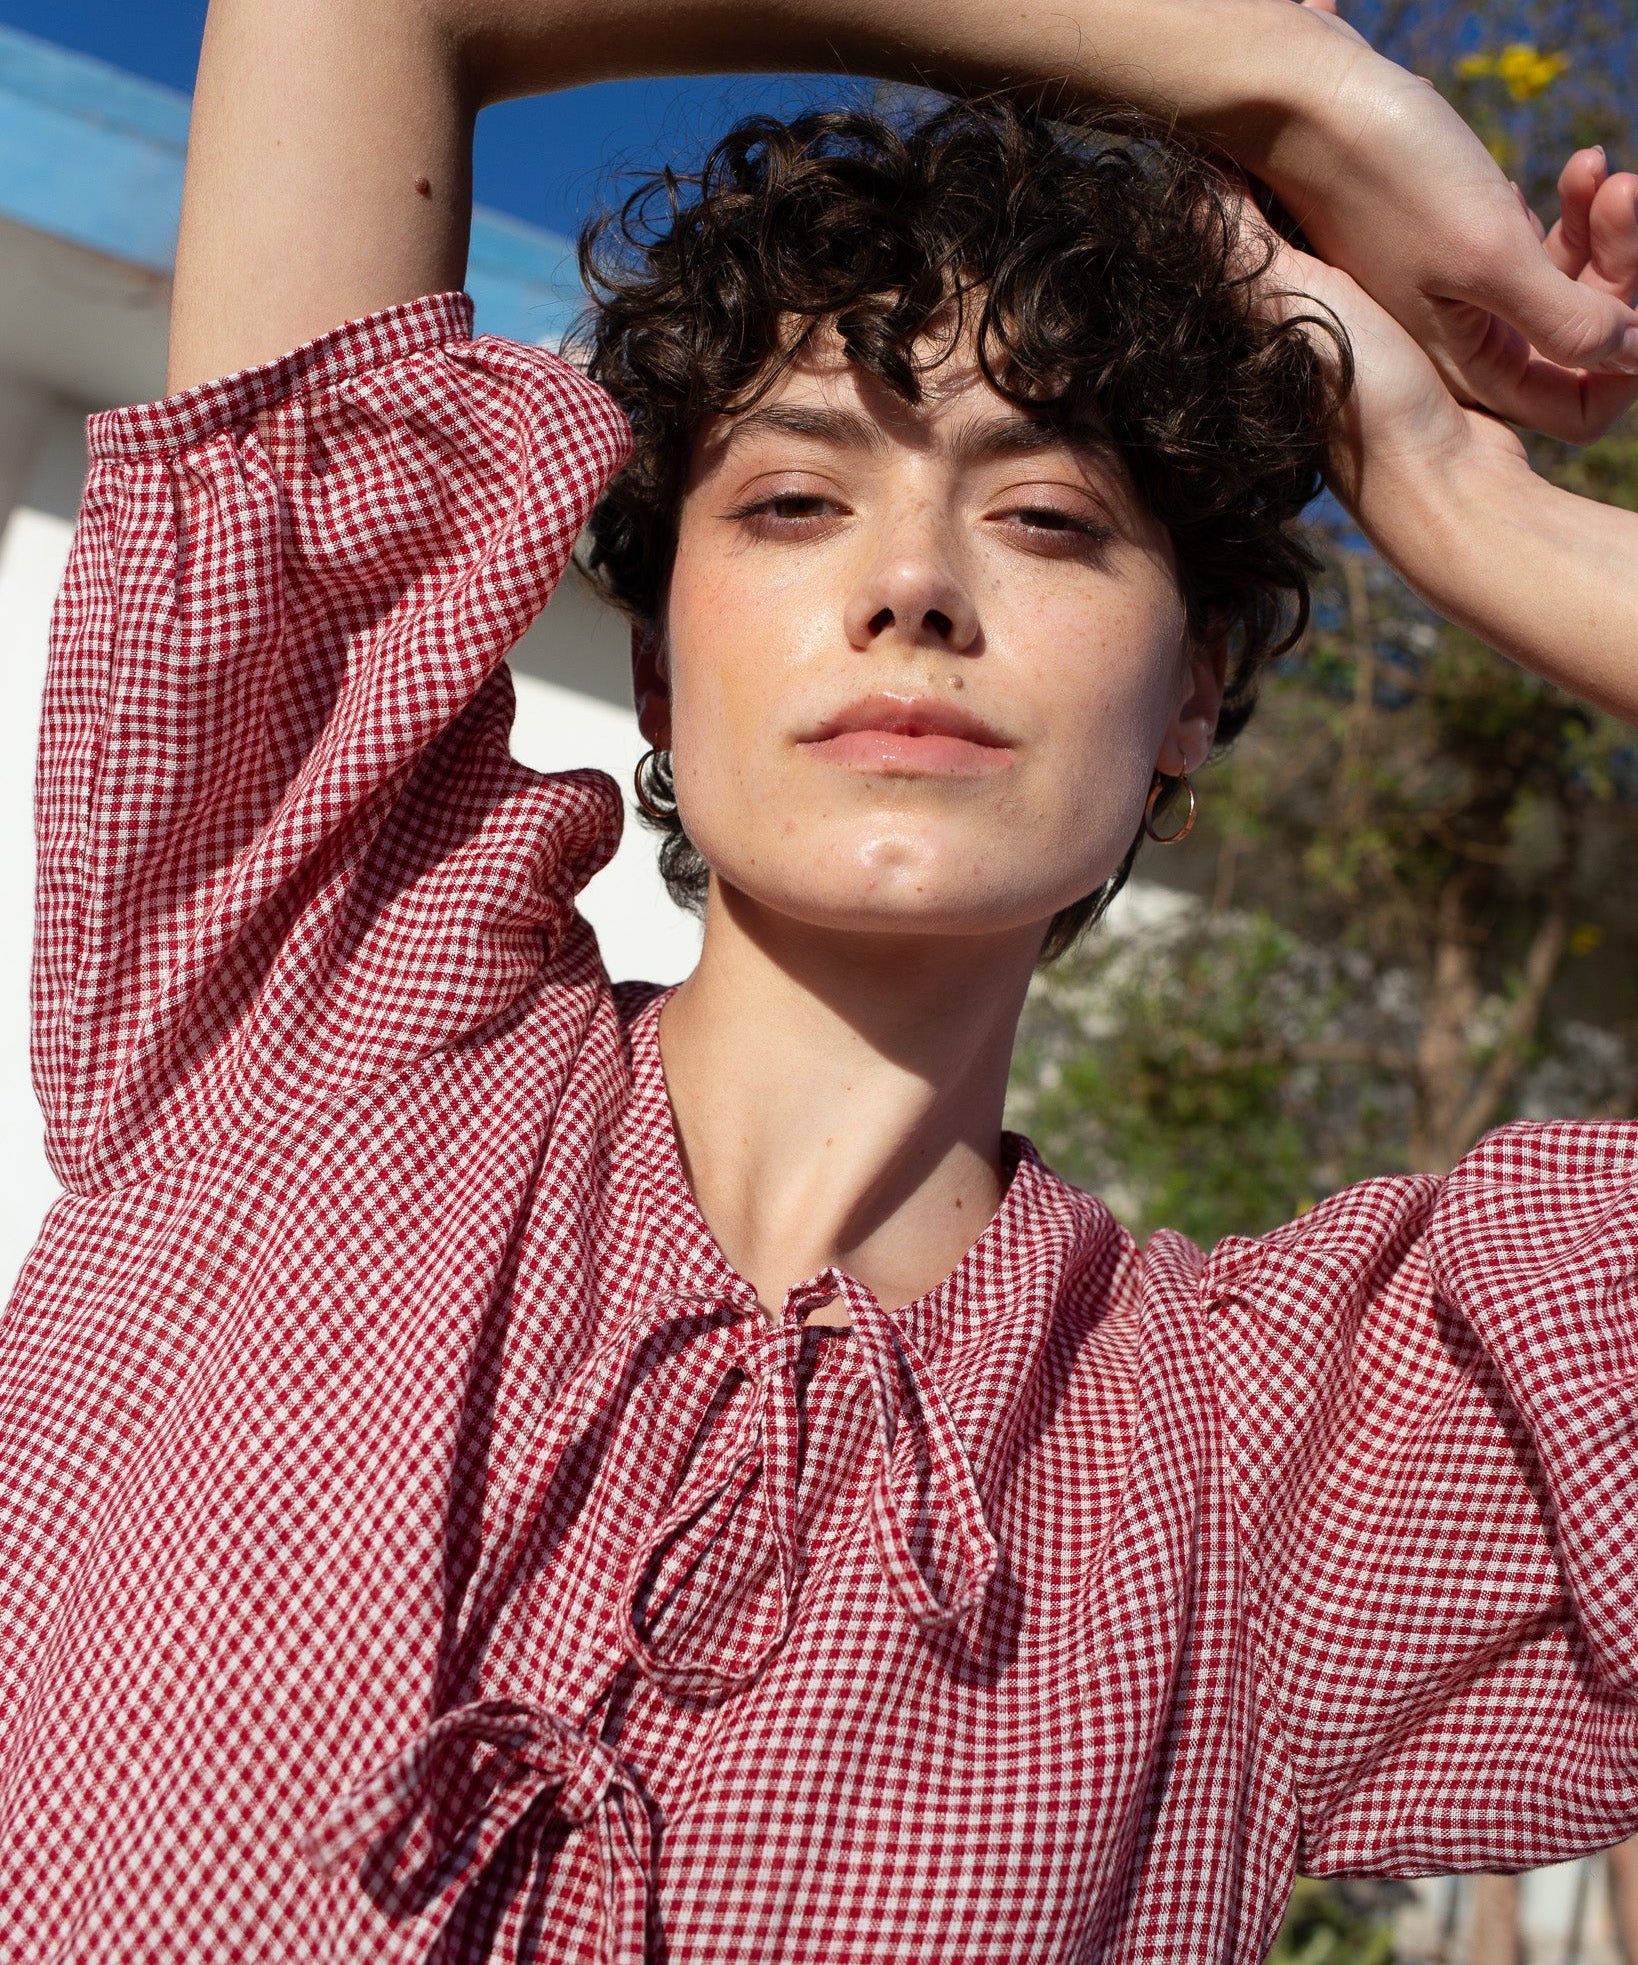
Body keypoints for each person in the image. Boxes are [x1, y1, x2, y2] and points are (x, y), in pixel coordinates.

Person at [2, 0, 1637, 1957]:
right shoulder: (309, 1009)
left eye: (1047, 517)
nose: (914, 582)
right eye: (793, 500)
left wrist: (1464, 497)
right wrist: (1298, 88)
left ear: (1190, 693)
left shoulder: (1284, 1475)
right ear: (662, 666)